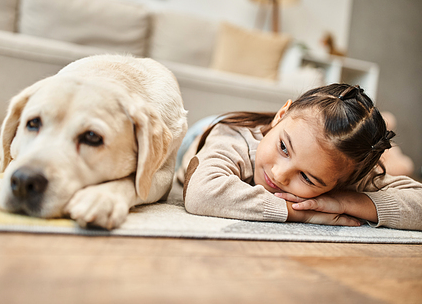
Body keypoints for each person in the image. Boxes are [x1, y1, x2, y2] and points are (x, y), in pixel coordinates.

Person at [178, 84, 422, 231]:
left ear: (339, 185)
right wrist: (303, 213)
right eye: (284, 148)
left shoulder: (342, 175)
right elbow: (201, 192)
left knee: (389, 168)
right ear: (282, 114)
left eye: (307, 177)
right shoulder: (232, 137)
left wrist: (346, 203)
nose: (278, 174)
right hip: (205, 129)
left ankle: (385, 149)